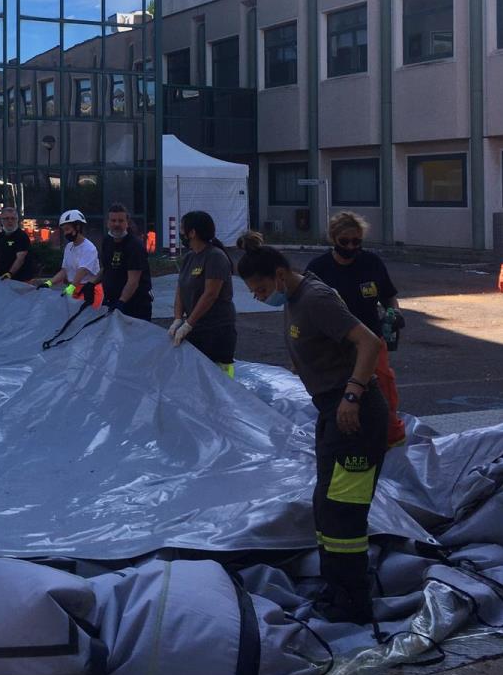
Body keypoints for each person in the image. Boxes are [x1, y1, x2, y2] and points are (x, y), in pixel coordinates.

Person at [237, 236, 385, 625]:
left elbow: (369, 343)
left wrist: (352, 394)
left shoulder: (315, 298)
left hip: (354, 415)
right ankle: (336, 587)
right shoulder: (294, 297)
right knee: (325, 505)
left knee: (343, 511)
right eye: (253, 292)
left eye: (261, 289)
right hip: (331, 412)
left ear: (280, 275)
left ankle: (354, 601)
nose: (259, 297)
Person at [306, 213, 406, 449]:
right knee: (338, 394)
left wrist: (394, 312)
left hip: (371, 341)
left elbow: (389, 296)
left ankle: (391, 437)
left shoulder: (372, 263)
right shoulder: (318, 269)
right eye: (345, 241)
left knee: (383, 389)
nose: (351, 247)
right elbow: (304, 310)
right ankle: (343, 437)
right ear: (333, 239)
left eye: (356, 241)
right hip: (335, 345)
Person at [170, 210, 237, 375]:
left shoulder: (215, 257)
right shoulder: (189, 257)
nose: (180, 233)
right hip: (196, 327)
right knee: (195, 374)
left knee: (219, 375)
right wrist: (178, 318)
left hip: (217, 328)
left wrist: (188, 324)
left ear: (192, 232)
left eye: (182, 228)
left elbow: (210, 295)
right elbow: (181, 288)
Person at [97, 202, 152, 320]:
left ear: (127, 222)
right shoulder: (107, 241)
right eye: (113, 220)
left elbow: (133, 281)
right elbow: (106, 268)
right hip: (113, 303)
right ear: (107, 223)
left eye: (121, 221)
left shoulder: (134, 245)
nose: (117, 224)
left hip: (135, 306)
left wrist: (121, 302)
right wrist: (91, 283)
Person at [33, 209, 100, 297]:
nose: (65, 233)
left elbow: (82, 270)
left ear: (77, 227)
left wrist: (71, 287)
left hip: (89, 291)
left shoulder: (89, 248)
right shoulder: (69, 247)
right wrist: (48, 283)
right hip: (74, 289)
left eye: (67, 229)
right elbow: (65, 271)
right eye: (64, 230)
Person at [0, 207, 36, 282]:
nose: (10, 221)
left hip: (21, 280)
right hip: (4, 278)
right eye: (6, 218)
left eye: (13, 218)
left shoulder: (21, 236)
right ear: (1, 220)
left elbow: (20, 259)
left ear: (17, 220)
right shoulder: (1, 236)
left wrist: (10, 273)